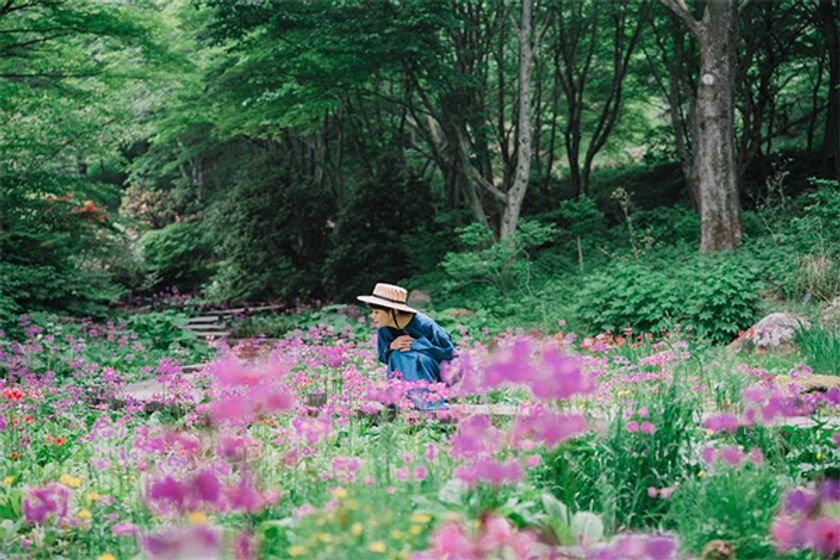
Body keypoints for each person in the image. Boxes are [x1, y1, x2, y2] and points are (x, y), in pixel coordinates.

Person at [357, 283, 454, 409]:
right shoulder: (383, 329)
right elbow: (383, 356)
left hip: (436, 376)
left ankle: (428, 401)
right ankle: (401, 399)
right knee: (397, 354)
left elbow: (449, 353)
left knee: (413, 356)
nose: (372, 317)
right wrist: (391, 346)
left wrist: (417, 346)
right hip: (404, 372)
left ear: (394, 311)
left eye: (377, 312)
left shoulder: (425, 324)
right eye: (372, 312)